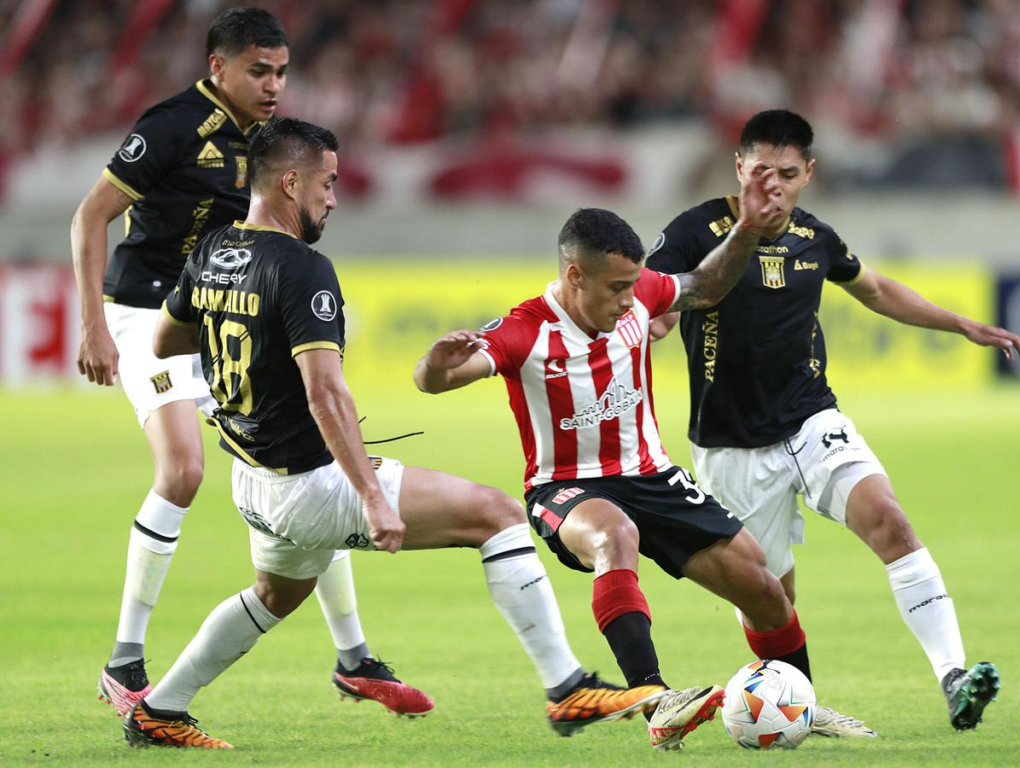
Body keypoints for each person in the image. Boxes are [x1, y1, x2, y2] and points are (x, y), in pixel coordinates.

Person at [123, 116, 668, 749]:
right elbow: (326, 392)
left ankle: (160, 709)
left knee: (273, 595)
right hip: (308, 483)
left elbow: (166, 339)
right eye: (327, 183)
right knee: (497, 515)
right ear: (291, 183)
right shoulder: (302, 268)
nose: (333, 198)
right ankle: (566, 686)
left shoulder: (216, 249)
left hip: (251, 477)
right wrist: (373, 498)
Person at [71, 8, 430, 720]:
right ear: (218, 68)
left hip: (219, 307)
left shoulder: (271, 143)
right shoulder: (173, 126)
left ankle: (354, 658)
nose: (273, 85)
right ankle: (123, 660)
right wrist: (93, 325)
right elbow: (90, 215)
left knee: (311, 457)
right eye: (258, 71)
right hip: (148, 314)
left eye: (281, 72)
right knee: (183, 470)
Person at [647, 109, 1020, 733]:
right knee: (770, 599)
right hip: (731, 447)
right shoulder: (693, 230)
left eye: (787, 174)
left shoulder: (815, 237)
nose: (773, 185)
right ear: (738, 167)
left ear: (809, 174)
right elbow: (656, 303)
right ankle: (801, 708)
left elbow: (874, 289)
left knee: (891, 522)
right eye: (760, 171)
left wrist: (960, 323)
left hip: (811, 420)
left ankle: (953, 676)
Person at [414, 194, 828, 752]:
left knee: (764, 588)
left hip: (652, 476)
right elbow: (440, 379)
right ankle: (655, 698)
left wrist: (748, 230)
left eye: (634, 284)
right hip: (567, 487)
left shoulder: (638, 295)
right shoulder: (526, 329)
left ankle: (802, 706)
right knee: (615, 534)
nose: (630, 299)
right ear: (575, 275)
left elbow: (704, 286)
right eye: (616, 288)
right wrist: (434, 366)